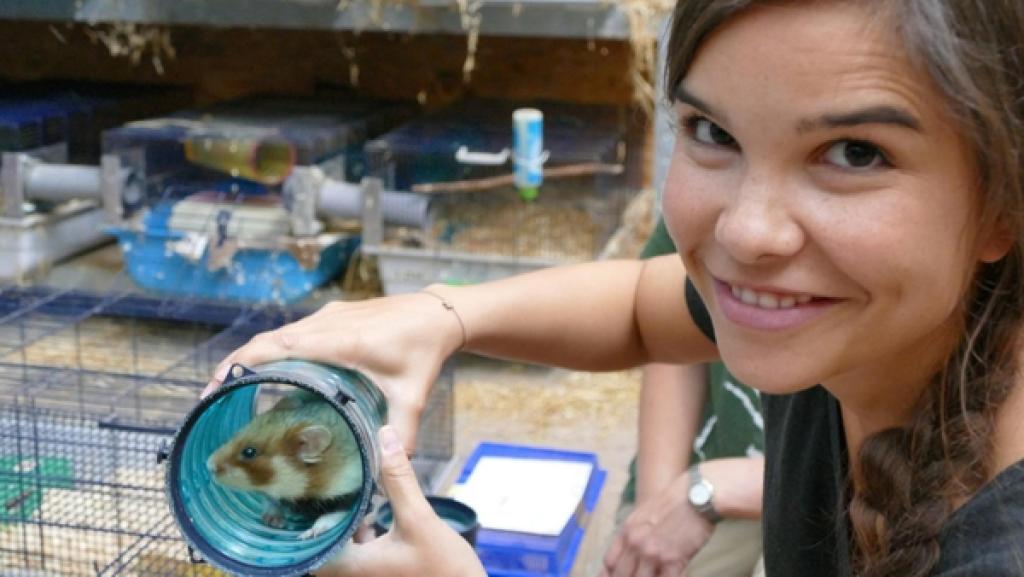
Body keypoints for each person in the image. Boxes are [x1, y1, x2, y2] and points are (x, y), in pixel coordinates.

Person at [203, 1, 1024, 575]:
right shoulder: (848, 327)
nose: (744, 232)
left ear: (1001, 203)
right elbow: (640, 307)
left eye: (855, 153)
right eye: (712, 132)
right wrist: (442, 313)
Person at [604, 218, 765, 577]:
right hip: (705, 473)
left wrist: (717, 487)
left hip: (838, 499)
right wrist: (652, 514)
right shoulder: (701, 204)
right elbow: (675, 332)